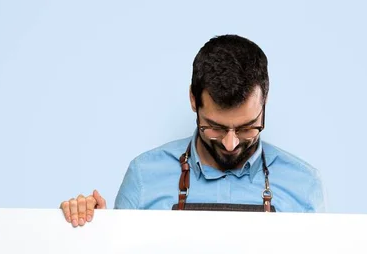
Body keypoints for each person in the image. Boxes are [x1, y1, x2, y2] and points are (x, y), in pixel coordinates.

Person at [60, 34, 327, 227]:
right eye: (215, 128)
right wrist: (95, 230)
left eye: (247, 128)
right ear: (193, 100)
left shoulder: (304, 185)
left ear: (264, 102)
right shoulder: (144, 176)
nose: (231, 143)